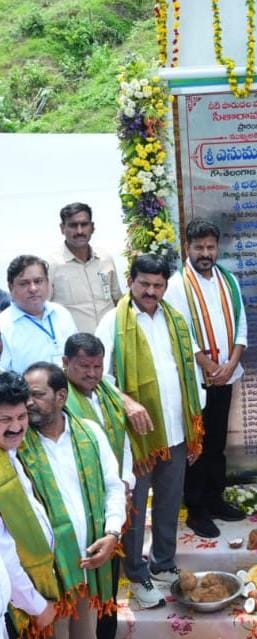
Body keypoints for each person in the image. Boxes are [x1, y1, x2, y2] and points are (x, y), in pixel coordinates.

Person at [96, 254, 204, 610]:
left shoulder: (175, 320)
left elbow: (186, 370)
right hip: (136, 440)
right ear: (131, 281)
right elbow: (100, 378)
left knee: (170, 503)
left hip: (174, 430)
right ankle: (137, 573)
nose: (151, 292)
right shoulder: (114, 322)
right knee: (136, 507)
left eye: (158, 285)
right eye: (145, 284)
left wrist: (193, 421)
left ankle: (163, 562)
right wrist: (128, 403)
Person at [23, 363, 127, 639]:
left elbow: (114, 486)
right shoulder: (19, 443)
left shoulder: (90, 433)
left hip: (89, 556)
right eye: (27, 395)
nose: (29, 403)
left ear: (61, 396)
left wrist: (112, 533)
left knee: (86, 636)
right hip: (50, 566)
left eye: (37, 395)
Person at [63, 333, 147, 639]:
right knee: (89, 595)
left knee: (109, 588)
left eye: (97, 367)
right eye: (84, 367)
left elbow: (122, 443)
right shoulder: (62, 404)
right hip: (82, 511)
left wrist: (125, 482)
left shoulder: (108, 394)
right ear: (65, 364)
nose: (92, 374)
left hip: (113, 502)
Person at [165, 218, 247, 539]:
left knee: (217, 444)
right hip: (198, 380)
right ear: (187, 247)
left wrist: (232, 361)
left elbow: (240, 325)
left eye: (210, 247)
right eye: (198, 247)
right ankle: (197, 510)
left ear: (217, 248)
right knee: (197, 446)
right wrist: (209, 365)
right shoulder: (176, 285)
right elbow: (181, 333)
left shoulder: (229, 281)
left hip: (226, 375)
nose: (205, 253)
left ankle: (215, 500)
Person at [0, 371, 58, 639]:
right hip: (14, 608)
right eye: (5, 419)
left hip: (22, 602)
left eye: (21, 417)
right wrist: (37, 606)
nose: (16, 427)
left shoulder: (12, 456)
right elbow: (4, 554)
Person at [48, 203, 123, 334]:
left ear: (92, 227)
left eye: (84, 224)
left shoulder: (105, 259)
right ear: (62, 228)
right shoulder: (52, 265)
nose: (79, 231)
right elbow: (43, 308)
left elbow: (118, 300)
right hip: (77, 348)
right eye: (73, 225)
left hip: (112, 339)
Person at [0, 255, 77, 374]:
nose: (33, 288)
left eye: (38, 281)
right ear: (11, 287)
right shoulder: (3, 327)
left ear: (47, 282)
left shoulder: (62, 313)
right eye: (24, 283)